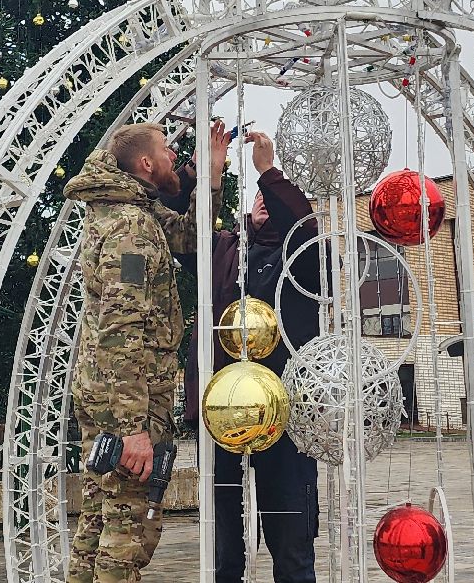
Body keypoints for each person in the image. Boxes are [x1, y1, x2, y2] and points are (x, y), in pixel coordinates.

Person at [65, 119, 228, 583]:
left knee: (99, 521)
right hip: (126, 403)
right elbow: (123, 329)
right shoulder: (130, 229)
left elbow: (193, 240)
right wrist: (133, 429)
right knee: (128, 531)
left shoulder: (135, 213)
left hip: (111, 397)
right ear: (144, 164)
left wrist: (212, 179)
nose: (173, 156)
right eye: (166, 150)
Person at [180, 130, 321, 583]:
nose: (264, 200)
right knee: (224, 545)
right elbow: (186, 229)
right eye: (258, 195)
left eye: (272, 196)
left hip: (285, 415)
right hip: (222, 413)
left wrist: (268, 172)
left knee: (290, 536)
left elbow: (307, 229)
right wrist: (211, 173)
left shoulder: (303, 258)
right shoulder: (224, 250)